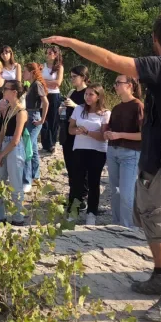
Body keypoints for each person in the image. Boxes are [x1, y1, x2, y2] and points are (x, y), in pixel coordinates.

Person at [43, 10, 161, 321]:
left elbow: (111, 60)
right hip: (158, 158)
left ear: (155, 40)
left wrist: (71, 42)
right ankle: (160, 274)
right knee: (152, 218)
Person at [0, 80, 28, 228]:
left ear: (14, 92)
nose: (3, 91)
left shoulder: (21, 112)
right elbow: (2, 132)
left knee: (16, 186)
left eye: (6, 89)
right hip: (4, 146)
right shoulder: (9, 109)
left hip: (14, 149)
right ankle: (0, 216)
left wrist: (2, 154)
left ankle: (18, 218)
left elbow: (16, 140)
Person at [104, 75, 143, 229]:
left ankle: (128, 228)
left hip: (130, 154)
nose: (115, 86)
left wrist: (119, 135)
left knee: (127, 193)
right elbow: (110, 127)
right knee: (115, 191)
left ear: (130, 85)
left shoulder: (138, 106)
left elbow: (143, 135)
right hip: (113, 151)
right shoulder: (117, 107)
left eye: (118, 83)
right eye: (115, 83)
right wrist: (108, 132)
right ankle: (116, 225)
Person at [68, 85, 110, 225]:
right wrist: (77, 131)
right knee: (77, 182)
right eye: (86, 94)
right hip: (79, 148)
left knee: (93, 182)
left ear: (98, 96)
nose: (87, 97)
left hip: (97, 151)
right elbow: (70, 129)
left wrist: (87, 133)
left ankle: (91, 213)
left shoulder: (105, 113)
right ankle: (73, 211)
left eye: (91, 94)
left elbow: (103, 136)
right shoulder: (78, 109)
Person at [60, 66, 89, 213]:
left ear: (83, 77)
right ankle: (72, 197)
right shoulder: (71, 92)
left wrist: (75, 106)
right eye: (70, 76)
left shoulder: (88, 93)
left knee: (80, 168)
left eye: (74, 76)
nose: (71, 79)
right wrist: (63, 108)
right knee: (70, 168)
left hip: (81, 135)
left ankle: (81, 198)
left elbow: (92, 113)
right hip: (68, 133)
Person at [21, 63, 48, 193]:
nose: (22, 74)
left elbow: (46, 102)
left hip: (34, 116)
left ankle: (27, 181)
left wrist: (42, 119)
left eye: (24, 71)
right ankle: (35, 176)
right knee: (34, 149)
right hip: (28, 115)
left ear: (32, 72)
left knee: (27, 147)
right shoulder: (31, 85)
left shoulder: (37, 84)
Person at [41, 46, 64, 153]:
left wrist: (45, 82)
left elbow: (58, 83)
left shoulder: (59, 67)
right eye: (48, 52)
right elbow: (38, 81)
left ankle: (52, 143)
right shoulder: (42, 67)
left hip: (54, 95)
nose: (50, 54)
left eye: (52, 52)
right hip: (43, 95)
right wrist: (49, 83)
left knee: (54, 120)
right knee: (44, 119)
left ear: (56, 54)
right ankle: (46, 143)